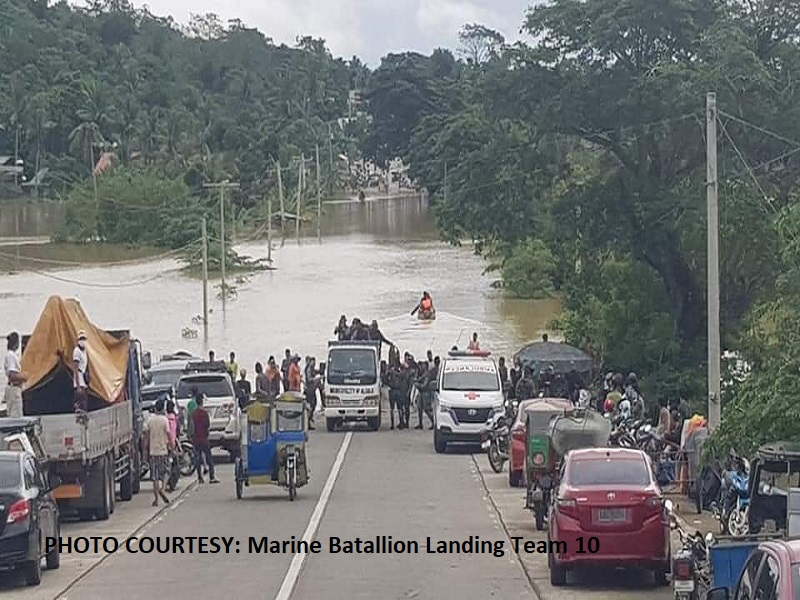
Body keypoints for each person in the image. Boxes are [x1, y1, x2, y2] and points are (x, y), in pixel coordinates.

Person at [146, 397, 172, 505]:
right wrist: (172, 445)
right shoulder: (164, 420)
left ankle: (156, 500)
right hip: (163, 451)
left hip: (153, 452)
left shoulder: (150, 420)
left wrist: (145, 450)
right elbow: (169, 434)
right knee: (166, 472)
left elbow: (146, 437)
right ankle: (163, 488)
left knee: (155, 477)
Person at [192, 395, 218, 483]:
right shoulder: (204, 413)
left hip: (196, 438)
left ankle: (200, 477)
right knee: (209, 458)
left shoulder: (194, 413)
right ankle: (212, 477)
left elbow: (192, 426)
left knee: (198, 459)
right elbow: (207, 425)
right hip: (204, 438)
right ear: (202, 402)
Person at [4, 333, 26, 418]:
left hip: (14, 388)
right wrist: (24, 377)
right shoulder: (11, 356)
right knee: (16, 415)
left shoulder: (11, 355)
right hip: (14, 388)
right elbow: (12, 376)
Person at [386, 347, 404, 430]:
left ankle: (392, 424)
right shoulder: (400, 371)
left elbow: (386, 378)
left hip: (392, 390)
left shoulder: (391, 371)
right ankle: (401, 423)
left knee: (392, 409)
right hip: (399, 391)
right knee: (400, 408)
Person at [72, 331, 89, 412]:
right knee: (80, 397)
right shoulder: (76, 351)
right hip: (79, 376)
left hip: (83, 375)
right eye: (81, 339)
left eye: (84, 339)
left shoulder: (85, 351)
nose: (83, 341)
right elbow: (75, 368)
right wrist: (78, 385)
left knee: (84, 399)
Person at [166, 398, 180, 492]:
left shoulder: (165, 419)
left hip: (166, 445)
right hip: (173, 444)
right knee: (175, 463)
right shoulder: (175, 419)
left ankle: (168, 482)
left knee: (167, 465)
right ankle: (172, 483)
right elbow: (178, 431)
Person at [304, 357, 317, 429]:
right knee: (311, 405)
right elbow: (309, 379)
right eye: (313, 362)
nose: (314, 364)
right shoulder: (309, 369)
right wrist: (316, 379)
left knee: (313, 404)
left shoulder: (311, 368)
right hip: (309, 390)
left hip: (311, 389)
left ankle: (309, 420)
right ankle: (308, 421)